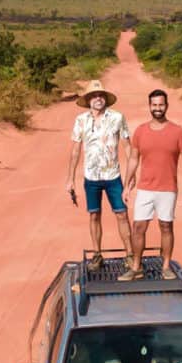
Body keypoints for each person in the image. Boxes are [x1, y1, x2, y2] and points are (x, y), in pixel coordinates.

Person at [118, 88, 182, 281]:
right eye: (154, 105)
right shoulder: (141, 131)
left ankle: (166, 266)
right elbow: (133, 159)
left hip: (167, 189)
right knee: (138, 227)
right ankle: (136, 267)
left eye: (161, 105)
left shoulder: (177, 131)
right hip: (145, 188)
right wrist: (127, 186)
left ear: (166, 106)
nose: (158, 108)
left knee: (166, 226)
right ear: (149, 106)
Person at [65, 80, 133, 270]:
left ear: (106, 99)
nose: (98, 99)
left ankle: (129, 254)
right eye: (94, 96)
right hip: (91, 177)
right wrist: (70, 178)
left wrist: (132, 175)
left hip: (113, 176)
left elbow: (128, 147)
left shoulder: (118, 117)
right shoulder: (80, 120)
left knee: (122, 214)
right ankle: (97, 255)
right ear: (88, 100)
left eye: (101, 95)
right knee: (94, 215)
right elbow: (75, 151)